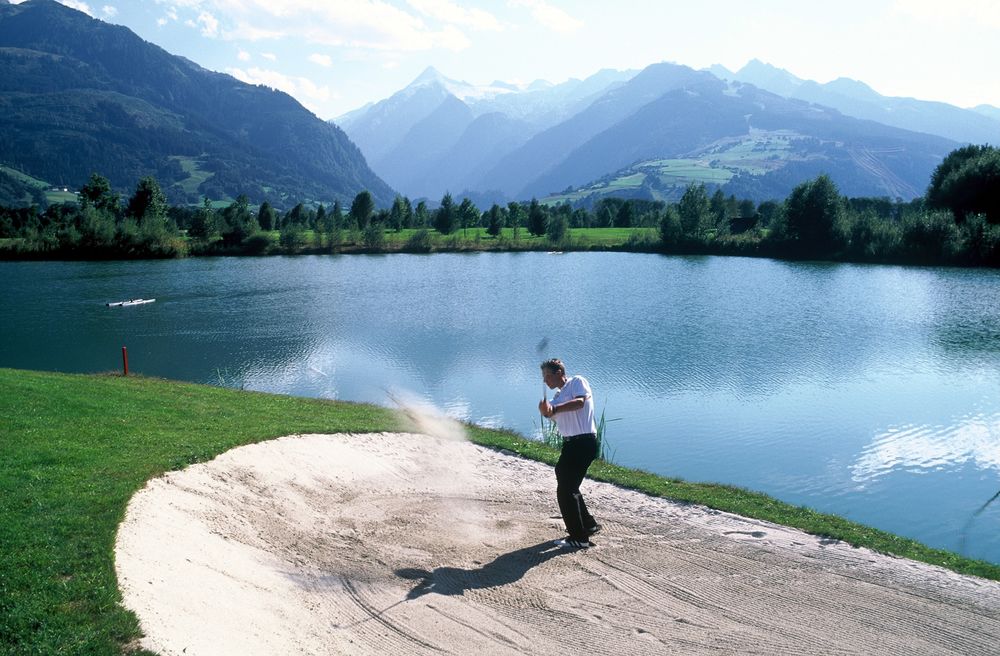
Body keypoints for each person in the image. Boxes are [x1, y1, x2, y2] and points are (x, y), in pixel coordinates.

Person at [538, 358, 601, 549]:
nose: (545, 381)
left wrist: (554, 408)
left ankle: (579, 537)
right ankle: (588, 525)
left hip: (583, 442)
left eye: (547, 376)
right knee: (567, 482)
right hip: (571, 445)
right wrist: (547, 411)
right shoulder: (556, 398)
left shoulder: (577, 382)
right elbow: (553, 414)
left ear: (558, 373)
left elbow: (579, 403)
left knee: (566, 489)